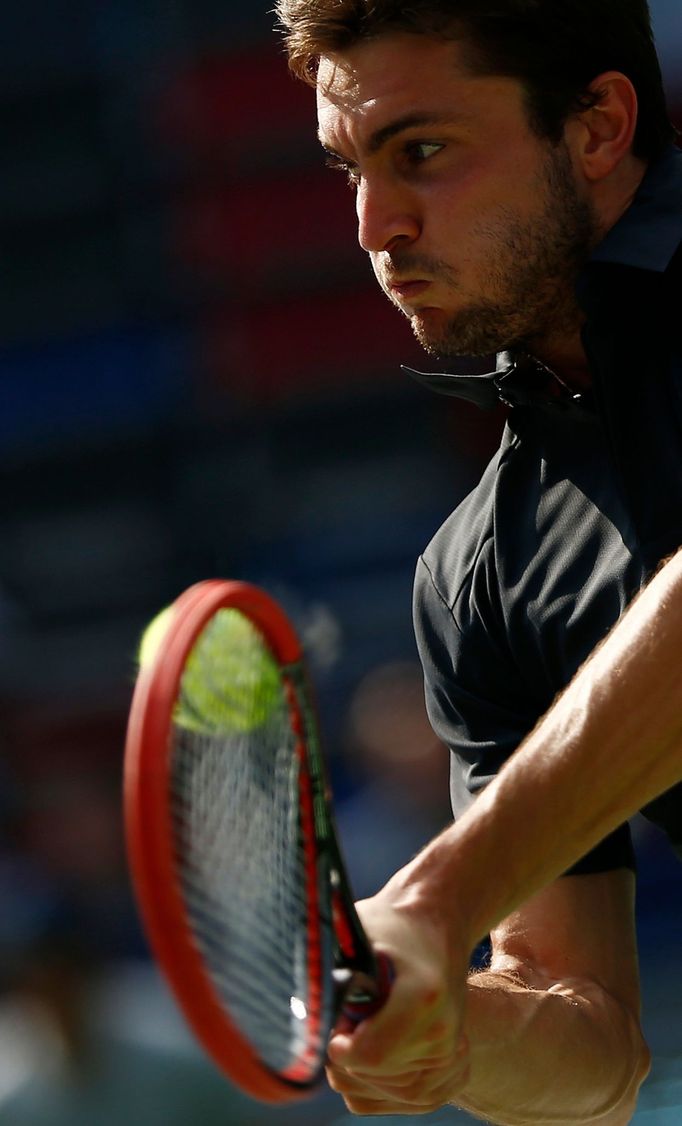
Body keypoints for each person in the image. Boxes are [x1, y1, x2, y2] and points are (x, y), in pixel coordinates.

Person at [275, 1, 682, 1122]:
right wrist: (452, 1031)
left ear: (597, 124)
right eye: (348, 167)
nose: (373, 224)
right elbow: (597, 1049)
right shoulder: (476, 581)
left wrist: (439, 899)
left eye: (420, 152)